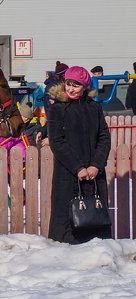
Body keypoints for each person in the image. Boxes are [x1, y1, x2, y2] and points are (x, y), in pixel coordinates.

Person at [46, 66, 112, 244]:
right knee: (65, 228)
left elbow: (104, 138)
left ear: (84, 87)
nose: (71, 89)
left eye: (76, 85)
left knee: (96, 227)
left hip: (94, 175)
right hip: (67, 176)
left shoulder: (94, 108)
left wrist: (95, 166)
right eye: (68, 84)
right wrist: (78, 168)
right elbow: (57, 142)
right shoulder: (57, 109)